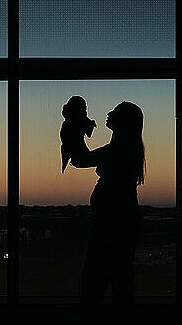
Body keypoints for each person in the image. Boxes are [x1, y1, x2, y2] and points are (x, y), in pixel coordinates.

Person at [71, 101, 145, 312]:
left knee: (96, 277)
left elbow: (81, 159)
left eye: (115, 112)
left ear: (123, 121)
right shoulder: (126, 147)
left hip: (112, 224)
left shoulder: (119, 148)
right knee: (120, 278)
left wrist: (75, 129)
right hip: (121, 221)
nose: (108, 113)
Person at [59, 96, 97, 173]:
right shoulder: (78, 121)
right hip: (78, 151)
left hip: (75, 151)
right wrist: (90, 123)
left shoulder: (68, 122)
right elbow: (89, 134)